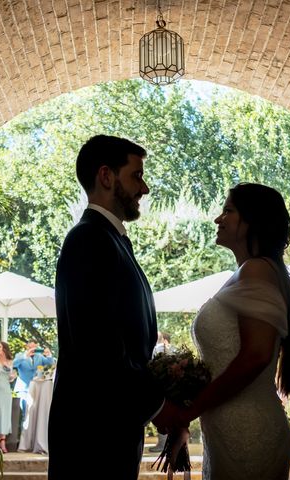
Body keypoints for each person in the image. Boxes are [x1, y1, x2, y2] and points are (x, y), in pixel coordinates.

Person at [47, 135, 179, 480]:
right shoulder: (87, 240)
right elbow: (99, 344)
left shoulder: (111, 240)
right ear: (106, 176)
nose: (145, 188)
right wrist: (158, 407)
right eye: (136, 175)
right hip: (91, 437)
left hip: (112, 431)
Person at [175, 183, 290, 480]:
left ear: (252, 221)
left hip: (247, 432)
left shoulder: (256, 269)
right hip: (228, 429)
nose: (219, 219)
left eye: (228, 211)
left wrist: (187, 413)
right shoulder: (253, 271)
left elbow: (255, 356)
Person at [13, 340, 54, 422]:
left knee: (35, 413)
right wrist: (26, 356)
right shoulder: (20, 356)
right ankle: (23, 433)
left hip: (36, 389)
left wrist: (49, 355)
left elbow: (50, 363)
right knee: (25, 411)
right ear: (27, 347)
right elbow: (14, 364)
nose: (32, 349)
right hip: (23, 390)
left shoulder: (39, 356)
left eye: (34, 347)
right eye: (30, 347)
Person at [0, 341, 14, 453]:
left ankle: (2, 442)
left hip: (6, 390)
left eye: (0, 347)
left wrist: (12, 376)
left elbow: (10, 378)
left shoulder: (10, 361)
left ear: (5, 349)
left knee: (5, 415)